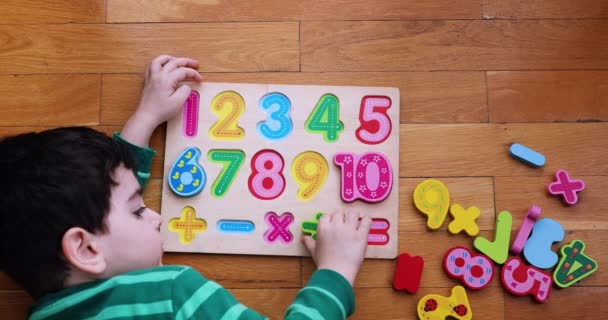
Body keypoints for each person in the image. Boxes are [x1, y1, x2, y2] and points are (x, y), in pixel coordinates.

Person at [0, 55, 372, 319]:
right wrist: (336, 271)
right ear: (84, 248)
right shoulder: (173, 295)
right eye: (138, 209)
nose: (157, 216)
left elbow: (103, 202)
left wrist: (145, 118)